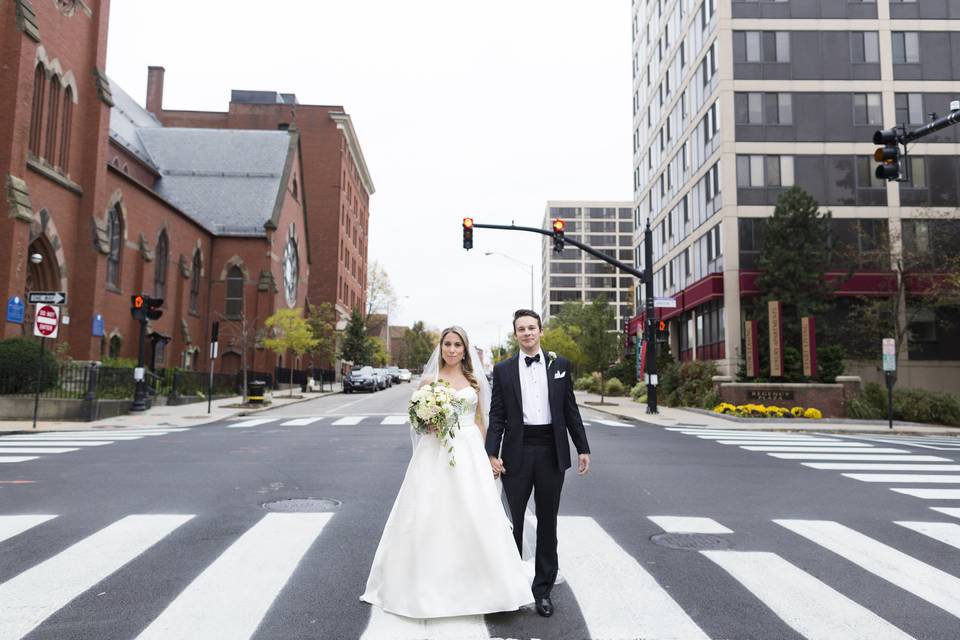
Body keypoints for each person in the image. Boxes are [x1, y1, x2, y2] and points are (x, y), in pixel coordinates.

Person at [360, 326, 533, 619]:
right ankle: (423, 585)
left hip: (468, 450)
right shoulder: (429, 380)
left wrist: (486, 455)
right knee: (430, 513)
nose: (452, 349)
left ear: (465, 350)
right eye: (447, 344)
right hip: (435, 451)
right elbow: (415, 420)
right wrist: (426, 423)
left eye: (457, 345)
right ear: (441, 348)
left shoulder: (474, 381)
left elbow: (481, 421)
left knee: (474, 514)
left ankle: (490, 587)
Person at [486, 309, 591, 618]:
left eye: (532, 328)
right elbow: (497, 416)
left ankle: (542, 590)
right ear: (516, 334)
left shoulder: (560, 365)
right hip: (516, 453)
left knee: (548, 522)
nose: (527, 333)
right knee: (511, 523)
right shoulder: (503, 370)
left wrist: (582, 447)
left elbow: (570, 409)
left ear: (540, 331)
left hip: (550, 452)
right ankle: (511, 588)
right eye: (521, 329)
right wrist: (492, 453)